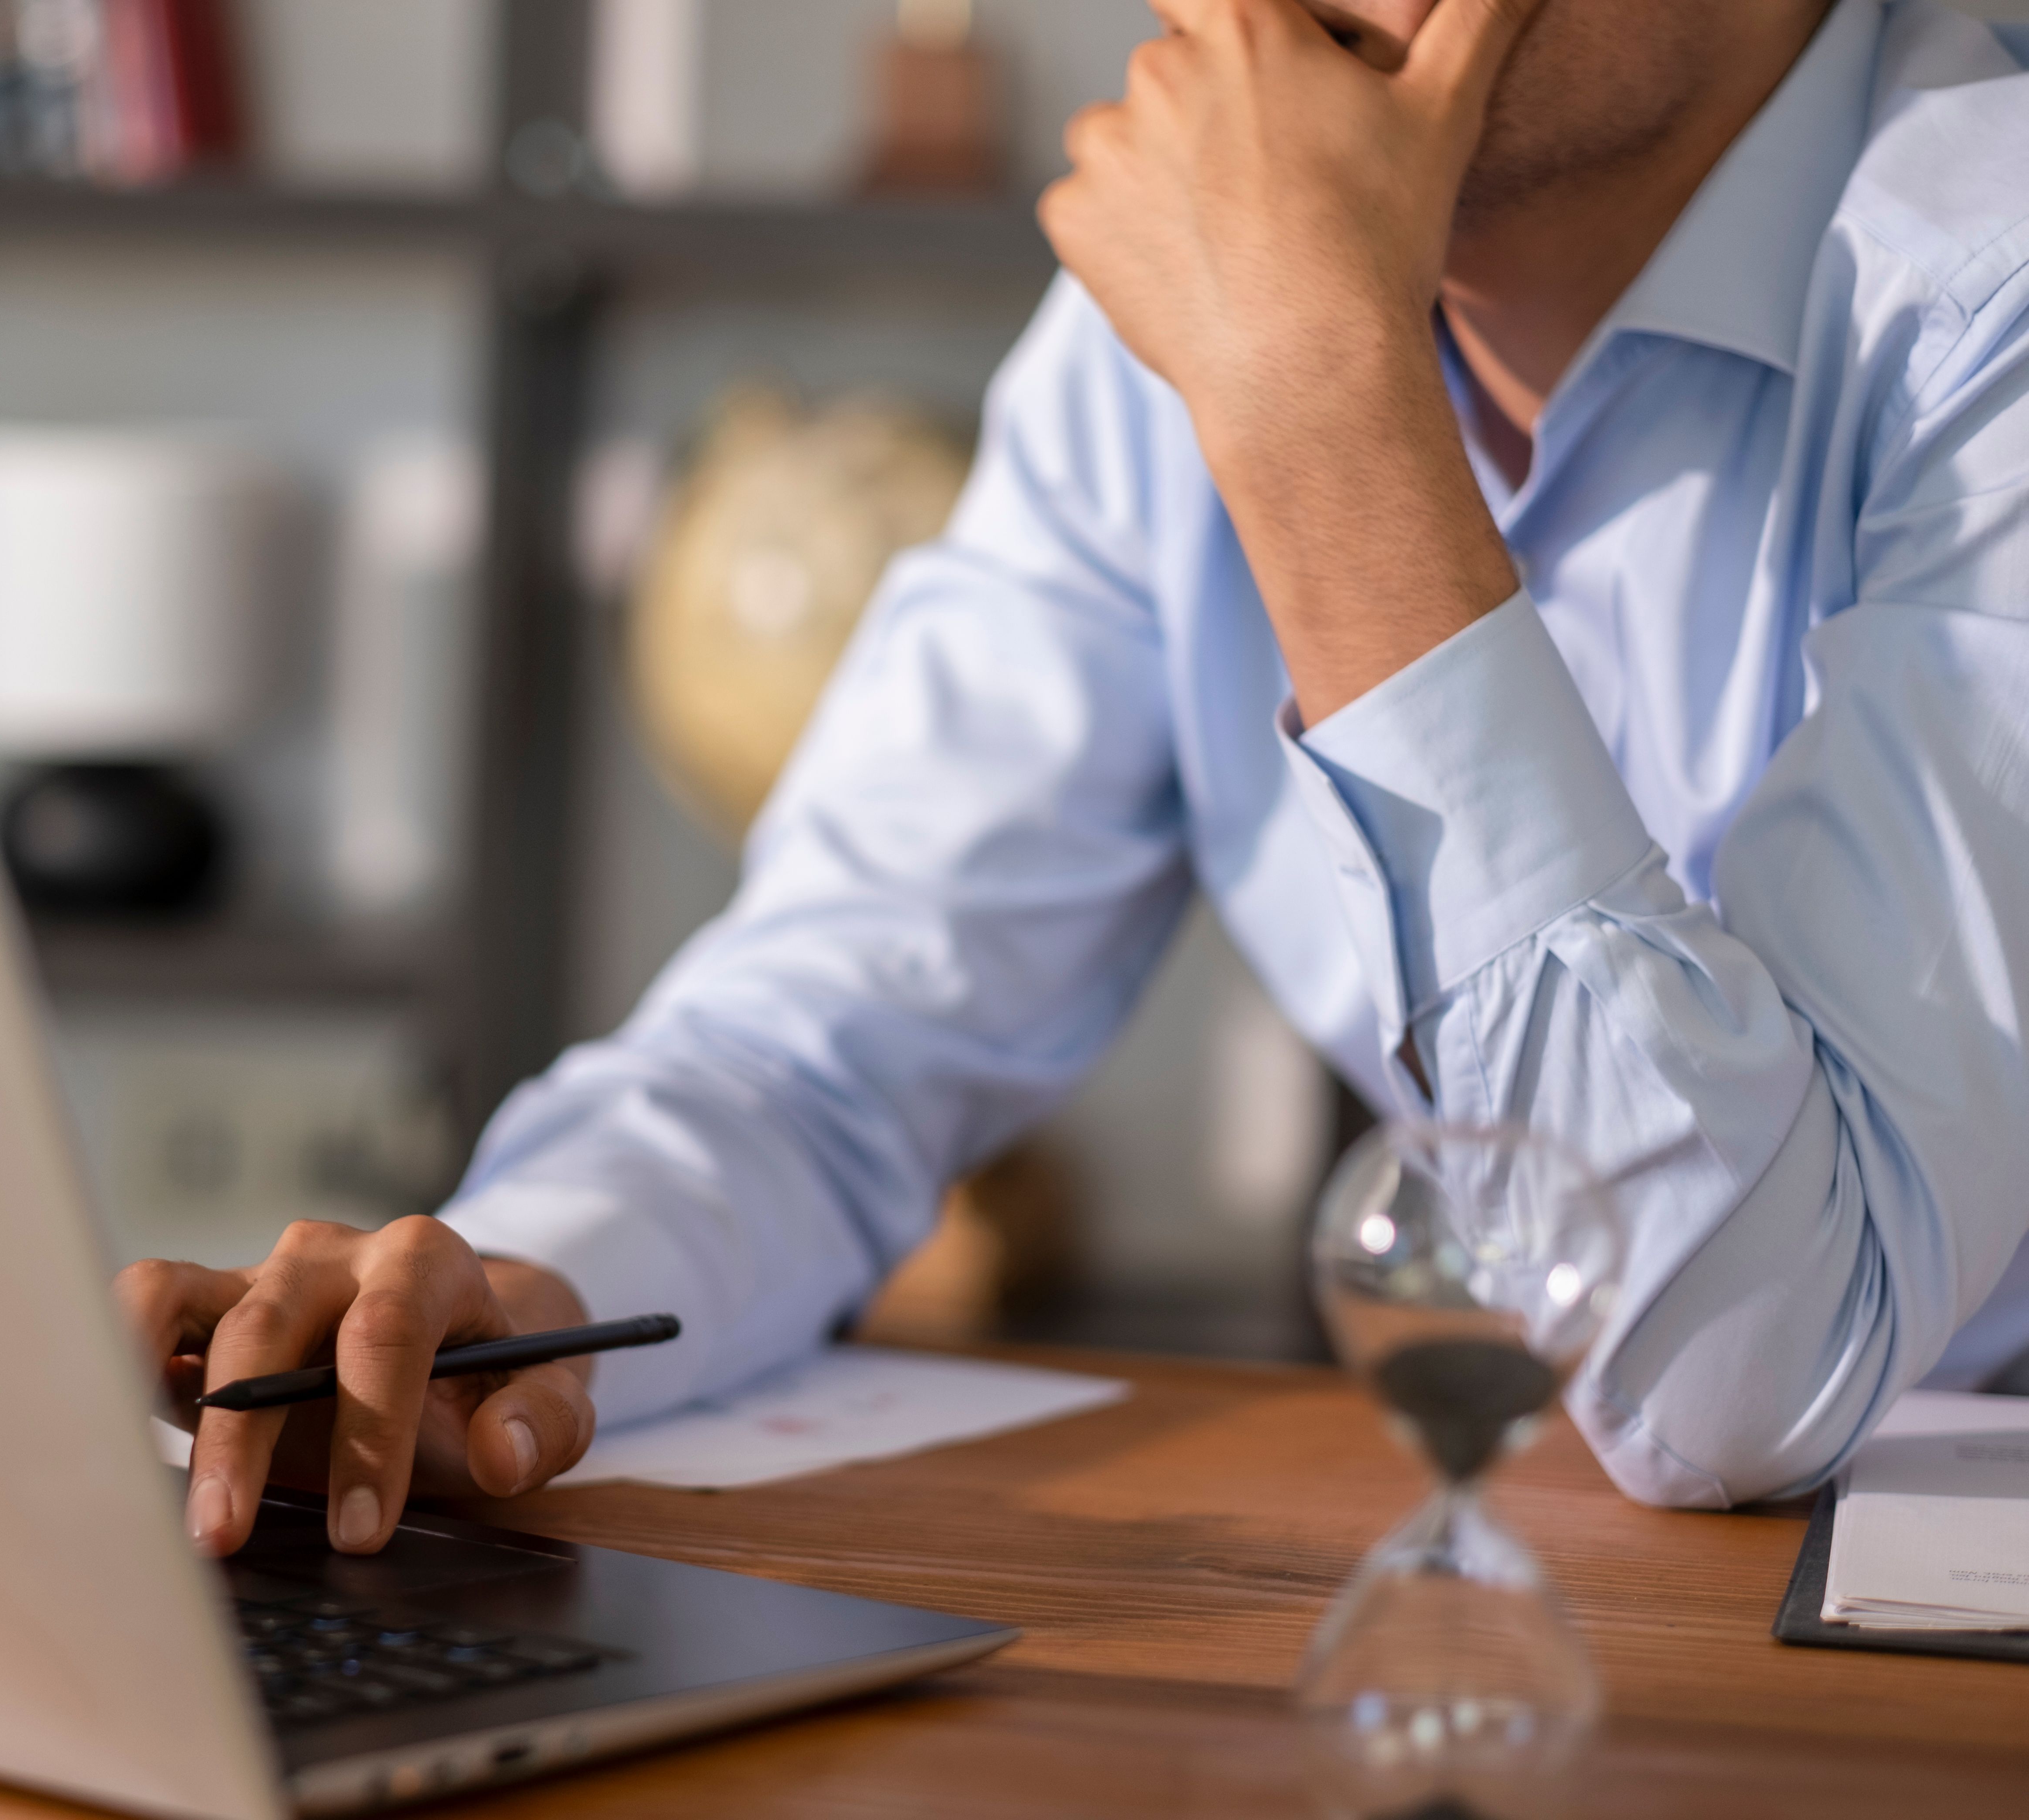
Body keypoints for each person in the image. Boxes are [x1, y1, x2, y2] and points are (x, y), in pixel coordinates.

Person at [120, 0, 2029, 1558]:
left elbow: (1748, 1376)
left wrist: (1325, 413)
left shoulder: (1986, 283)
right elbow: (822, 1046)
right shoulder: (1187, 320)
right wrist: (518, 1305)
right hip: (1581, 1567)